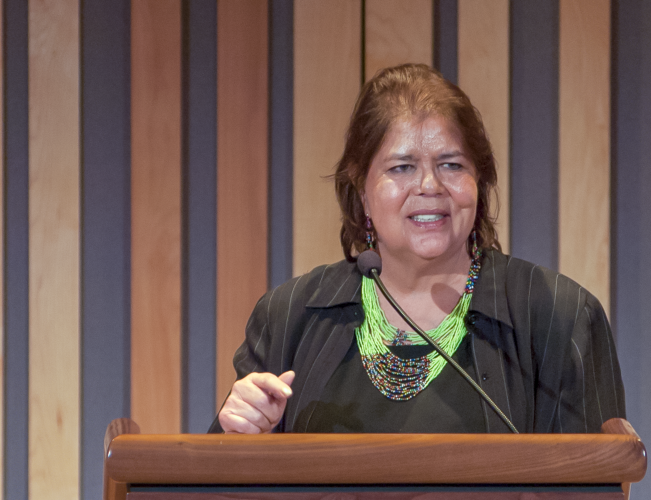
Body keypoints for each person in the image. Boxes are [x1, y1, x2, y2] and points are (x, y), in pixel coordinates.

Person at [210, 63, 625, 435]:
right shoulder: (290, 318)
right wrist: (236, 440)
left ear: (479, 182)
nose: (429, 186)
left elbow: (593, 482)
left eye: (452, 164)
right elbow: (215, 484)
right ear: (363, 192)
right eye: (402, 167)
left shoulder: (558, 318)